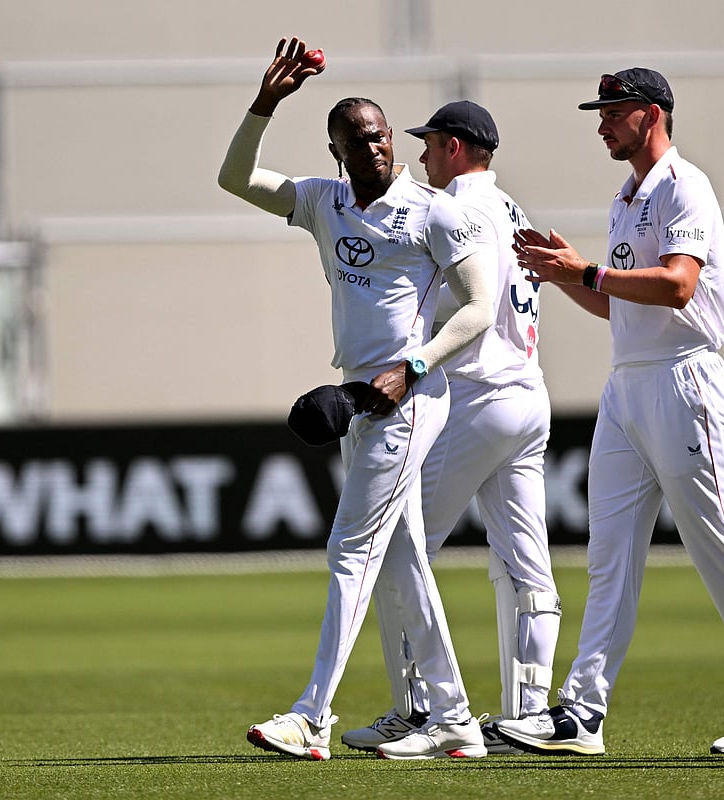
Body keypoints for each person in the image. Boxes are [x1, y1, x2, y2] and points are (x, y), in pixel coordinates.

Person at [494, 68, 724, 756]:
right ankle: (582, 713)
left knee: (715, 545)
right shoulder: (625, 199)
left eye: (613, 111)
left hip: (683, 381)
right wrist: (568, 276)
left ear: (651, 114)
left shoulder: (684, 186)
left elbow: (680, 286)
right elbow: (619, 304)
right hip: (627, 386)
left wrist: (589, 271)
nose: (601, 122)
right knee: (610, 558)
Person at [218, 37, 494, 761]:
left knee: (351, 552)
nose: (372, 148)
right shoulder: (323, 201)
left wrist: (412, 365)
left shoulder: (433, 213)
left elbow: (479, 309)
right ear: (336, 151)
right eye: (355, 140)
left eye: (378, 135)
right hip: (357, 403)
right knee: (400, 558)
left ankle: (312, 715)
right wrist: (265, 104)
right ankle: (456, 718)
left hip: (406, 400)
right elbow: (233, 178)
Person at [337, 100, 561, 757]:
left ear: (456, 147)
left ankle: (422, 712)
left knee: (395, 551)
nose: (424, 157)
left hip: (474, 397)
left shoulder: (457, 209)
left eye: (431, 145)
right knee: (526, 567)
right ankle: (528, 715)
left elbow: (459, 307)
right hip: (527, 394)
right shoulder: (510, 206)